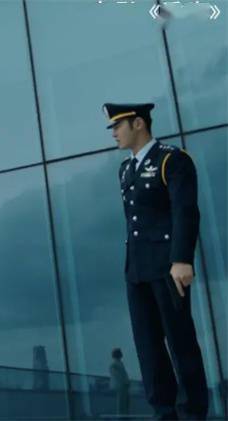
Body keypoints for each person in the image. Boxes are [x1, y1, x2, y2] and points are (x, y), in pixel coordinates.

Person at [104, 103, 208, 420]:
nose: (114, 133)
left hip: (167, 267)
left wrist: (181, 259)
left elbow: (185, 211)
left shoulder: (171, 159)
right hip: (136, 270)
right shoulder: (126, 169)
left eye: (118, 126)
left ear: (138, 123)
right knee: (148, 349)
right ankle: (163, 412)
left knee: (180, 343)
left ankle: (192, 413)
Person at [109, 347, 130, 416]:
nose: (122, 354)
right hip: (120, 386)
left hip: (123, 386)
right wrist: (125, 382)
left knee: (125, 403)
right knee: (121, 403)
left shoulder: (119, 363)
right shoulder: (114, 364)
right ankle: (121, 416)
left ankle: (124, 416)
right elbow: (118, 376)